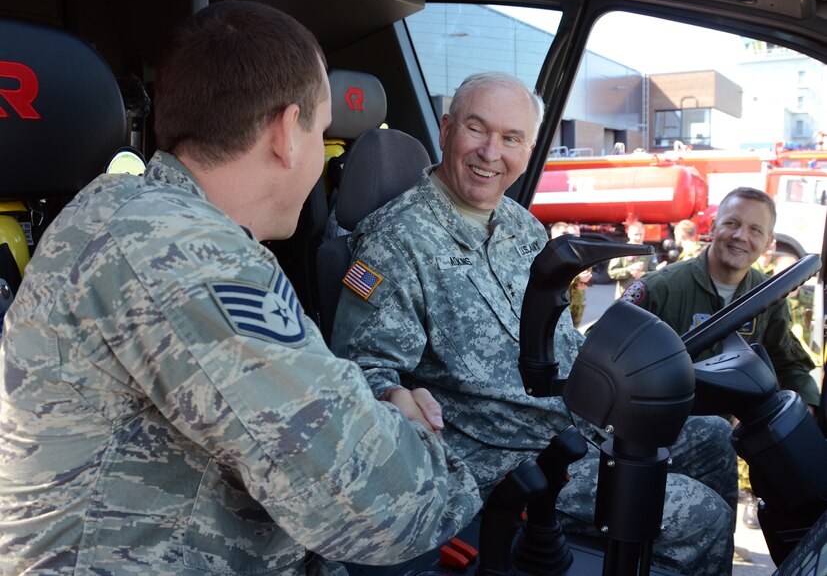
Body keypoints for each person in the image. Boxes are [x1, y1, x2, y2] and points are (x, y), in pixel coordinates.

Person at [0, 1, 482, 575]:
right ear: (286, 132)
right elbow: (388, 509)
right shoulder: (178, 251)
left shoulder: (138, 215)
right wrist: (407, 426)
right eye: (322, 131)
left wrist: (378, 409)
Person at [331, 72, 738, 576]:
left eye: (511, 138)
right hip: (506, 462)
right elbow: (360, 372)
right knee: (703, 515)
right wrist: (395, 398)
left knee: (717, 437)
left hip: (580, 424)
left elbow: (558, 335)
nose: (490, 153)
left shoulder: (521, 225)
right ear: (446, 130)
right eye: (477, 130)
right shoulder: (395, 243)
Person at [620, 187, 820, 411]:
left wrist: (809, 405)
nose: (741, 236)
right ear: (714, 227)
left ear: (768, 242)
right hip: (660, 419)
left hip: (736, 428)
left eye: (755, 230)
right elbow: (604, 351)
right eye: (732, 223)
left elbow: (787, 362)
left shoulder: (770, 296)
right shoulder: (660, 288)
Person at [607, 220, 658, 298]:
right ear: (629, 234)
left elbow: (656, 274)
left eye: (641, 234)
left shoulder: (650, 253)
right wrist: (629, 269)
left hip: (643, 297)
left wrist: (643, 274)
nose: (638, 238)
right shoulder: (621, 251)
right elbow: (612, 272)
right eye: (635, 234)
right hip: (623, 296)